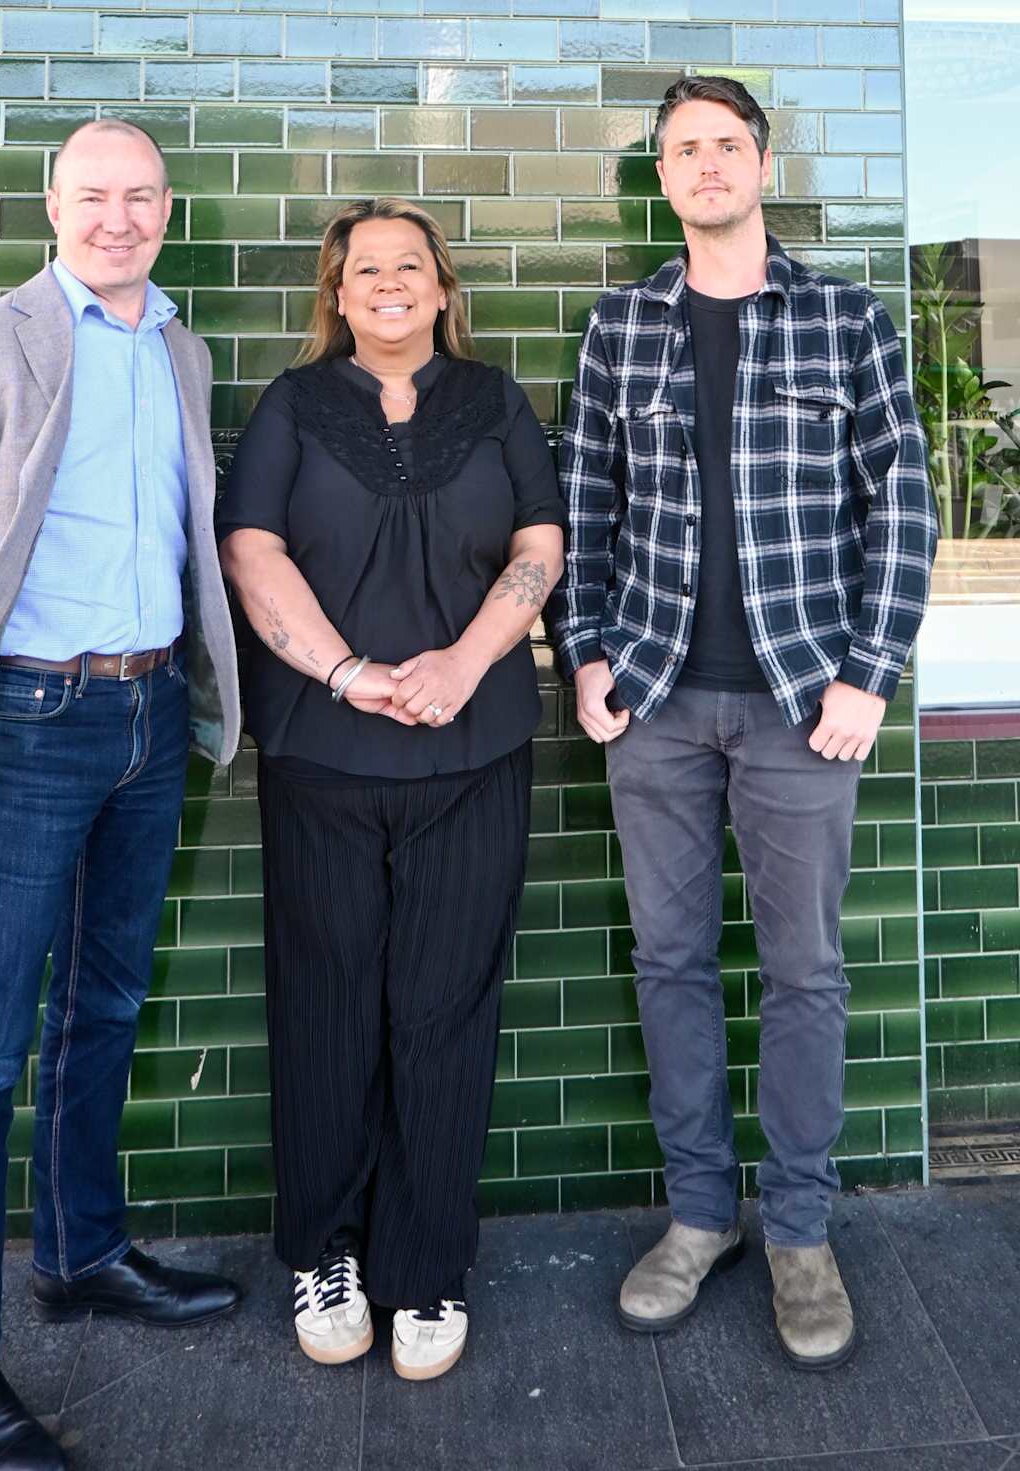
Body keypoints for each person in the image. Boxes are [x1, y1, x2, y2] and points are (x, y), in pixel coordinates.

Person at [0, 119, 242, 1470]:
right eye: (94, 195)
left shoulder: (180, 348)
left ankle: (82, 1253)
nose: (117, 217)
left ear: (167, 209)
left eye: (141, 196)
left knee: (106, 1004)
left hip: (149, 716)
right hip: (31, 722)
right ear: (52, 204)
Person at [548, 76, 937, 1371]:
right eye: (684, 149)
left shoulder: (847, 318)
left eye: (726, 144)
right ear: (662, 177)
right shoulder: (622, 325)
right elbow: (583, 503)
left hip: (801, 703)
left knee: (803, 970)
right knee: (670, 962)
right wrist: (584, 656)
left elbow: (904, 501)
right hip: (654, 700)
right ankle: (702, 1213)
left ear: (764, 163)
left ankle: (803, 1232)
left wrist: (870, 671)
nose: (707, 164)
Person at [217, 197, 565, 1382]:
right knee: (325, 1008)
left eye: (409, 265)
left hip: (474, 753)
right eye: (365, 269)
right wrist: (347, 672)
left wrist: (465, 664)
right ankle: (326, 1253)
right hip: (321, 753)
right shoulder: (293, 404)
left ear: (443, 286)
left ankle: (428, 1267)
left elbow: (541, 543)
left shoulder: (496, 401)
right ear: (338, 293)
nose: (388, 283)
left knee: (444, 1011)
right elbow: (250, 547)